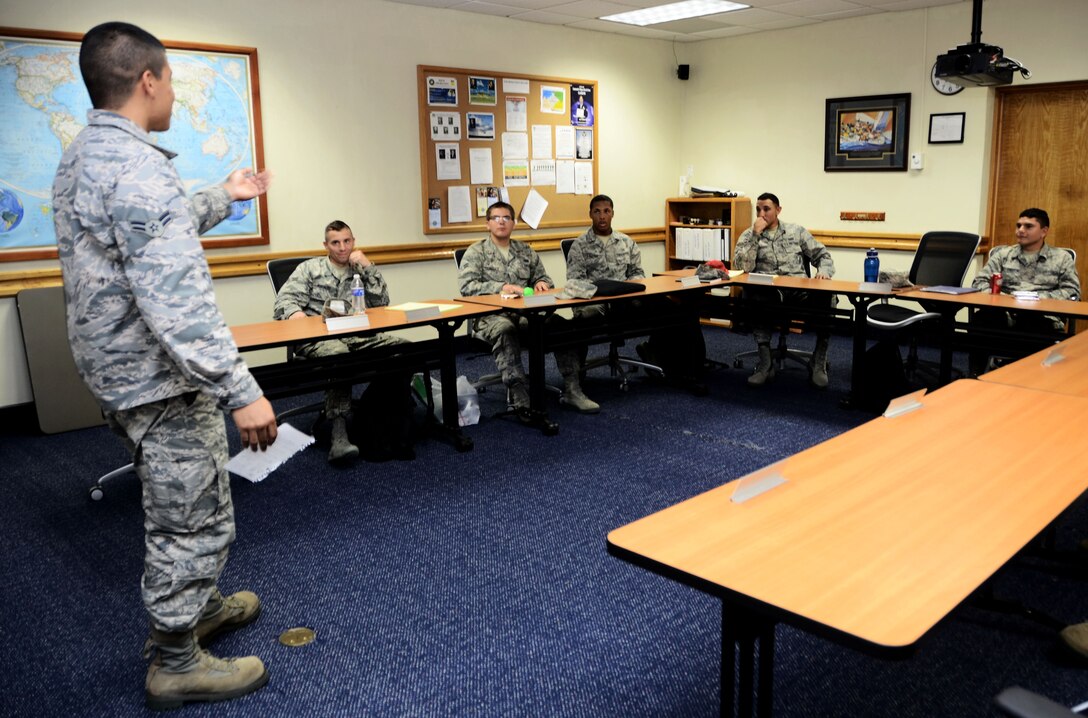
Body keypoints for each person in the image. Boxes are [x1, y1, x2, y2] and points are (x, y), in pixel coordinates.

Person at [52, 22, 277, 710]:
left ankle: (202, 605)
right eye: (171, 78)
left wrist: (223, 193)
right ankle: (176, 661)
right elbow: (175, 301)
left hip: (118, 374)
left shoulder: (82, 155)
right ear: (147, 81)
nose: (173, 90)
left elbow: (145, 231)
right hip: (162, 380)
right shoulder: (138, 165)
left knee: (177, 499)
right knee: (191, 518)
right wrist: (242, 390)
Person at [273, 220, 413, 463]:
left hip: (357, 333)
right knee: (340, 356)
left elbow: (381, 303)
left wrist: (368, 266)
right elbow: (284, 302)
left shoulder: (359, 269)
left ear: (353, 241)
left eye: (347, 241)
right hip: (319, 337)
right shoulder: (310, 269)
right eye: (335, 243)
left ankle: (378, 419)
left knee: (405, 350)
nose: (342, 248)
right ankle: (339, 434)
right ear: (325, 245)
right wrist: (298, 316)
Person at [458, 201, 598, 414]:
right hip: (491, 316)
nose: (501, 222)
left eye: (506, 218)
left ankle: (572, 389)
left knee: (559, 324)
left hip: (525, 313)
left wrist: (542, 283)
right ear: (488, 224)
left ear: (513, 223)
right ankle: (521, 397)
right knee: (505, 330)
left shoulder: (524, 251)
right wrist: (501, 287)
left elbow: (543, 277)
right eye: (496, 218)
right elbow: (467, 287)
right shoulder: (475, 253)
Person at [566, 194, 706, 391]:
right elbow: (574, 282)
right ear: (590, 214)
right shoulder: (579, 246)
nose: (602, 216)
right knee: (580, 322)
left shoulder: (626, 242)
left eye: (606, 211)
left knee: (676, 311)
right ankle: (576, 375)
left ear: (613, 213)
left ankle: (678, 366)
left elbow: (637, 274)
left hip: (628, 303)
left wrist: (629, 288)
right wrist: (601, 292)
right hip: (597, 305)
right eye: (597, 212)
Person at [733, 192, 836, 388]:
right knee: (756, 298)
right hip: (769, 293)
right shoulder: (748, 235)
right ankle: (765, 363)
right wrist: (755, 235)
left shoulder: (796, 231)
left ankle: (818, 360)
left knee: (827, 298)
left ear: (778, 210)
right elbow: (741, 267)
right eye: (758, 209)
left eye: (767, 209)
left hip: (798, 291)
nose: (761, 213)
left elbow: (823, 255)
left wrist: (823, 271)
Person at [969, 208, 1080, 374]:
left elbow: (1072, 292)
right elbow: (979, 282)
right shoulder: (1003, 255)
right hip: (1003, 312)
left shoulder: (1061, 258)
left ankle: (1031, 379)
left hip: (1041, 315)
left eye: (1028, 226)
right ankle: (976, 376)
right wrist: (1005, 299)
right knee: (981, 320)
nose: (1020, 230)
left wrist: (1037, 299)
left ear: (1044, 231)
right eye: (1018, 225)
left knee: (1033, 322)